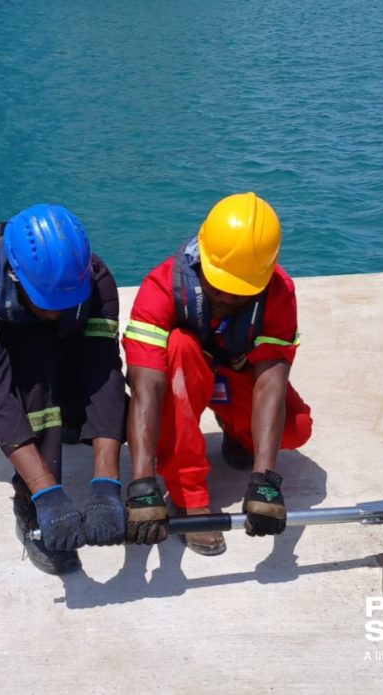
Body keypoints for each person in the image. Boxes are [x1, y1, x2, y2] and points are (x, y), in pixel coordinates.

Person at [0, 204, 127, 574]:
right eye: (47, 301)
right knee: (35, 380)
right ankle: (30, 503)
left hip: (63, 337)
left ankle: (69, 417)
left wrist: (106, 482)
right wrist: (46, 491)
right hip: (9, 344)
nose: (54, 311)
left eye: (65, 301)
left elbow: (104, 373)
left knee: (102, 404)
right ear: (15, 278)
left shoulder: (98, 280)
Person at [121, 192, 313, 555]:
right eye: (218, 284)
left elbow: (271, 381)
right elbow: (146, 390)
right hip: (180, 382)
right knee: (179, 345)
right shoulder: (160, 287)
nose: (226, 296)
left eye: (240, 291)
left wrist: (265, 480)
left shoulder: (280, 292)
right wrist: (142, 482)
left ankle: (239, 437)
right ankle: (189, 495)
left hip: (232, 376)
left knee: (296, 428)